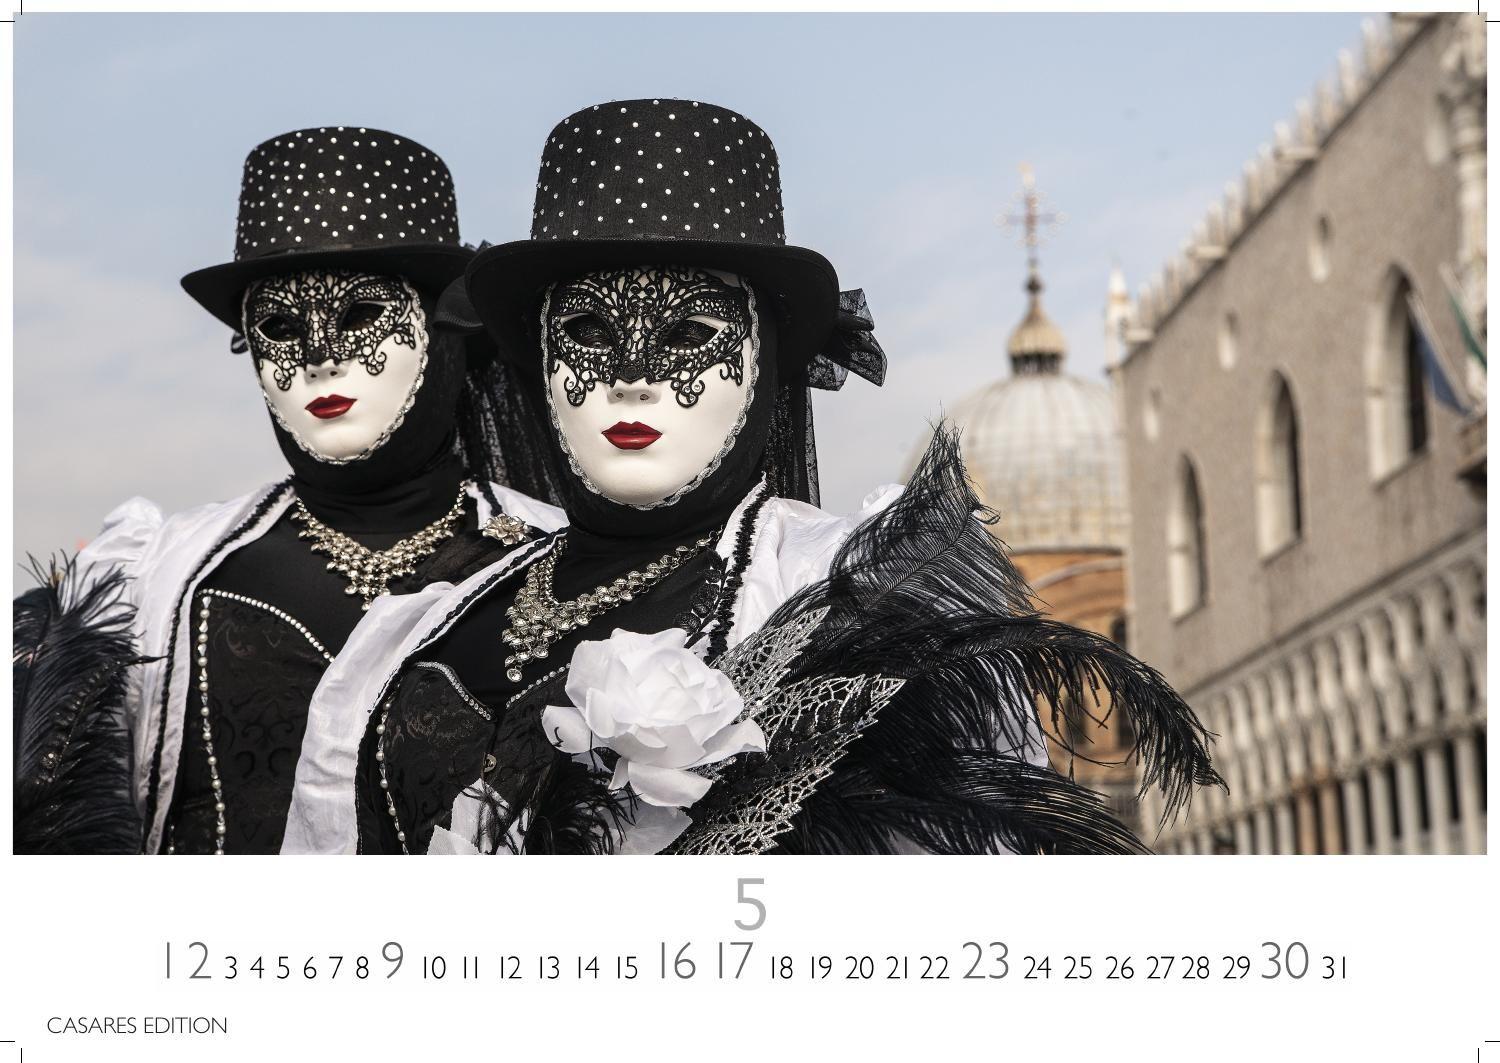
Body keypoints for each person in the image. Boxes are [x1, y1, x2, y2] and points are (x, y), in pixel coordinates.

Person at [290, 99, 1219, 856]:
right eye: (588, 333)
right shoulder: (404, 638)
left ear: (768, 361)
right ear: (534, 362)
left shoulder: (864, 604)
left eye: (691, 333)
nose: (634, 376)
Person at [13, 127, 563, 855]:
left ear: (446, 329)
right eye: (279, 326)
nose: (319, 357)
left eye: (361, 314)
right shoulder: (156, 585)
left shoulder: (560, 564)